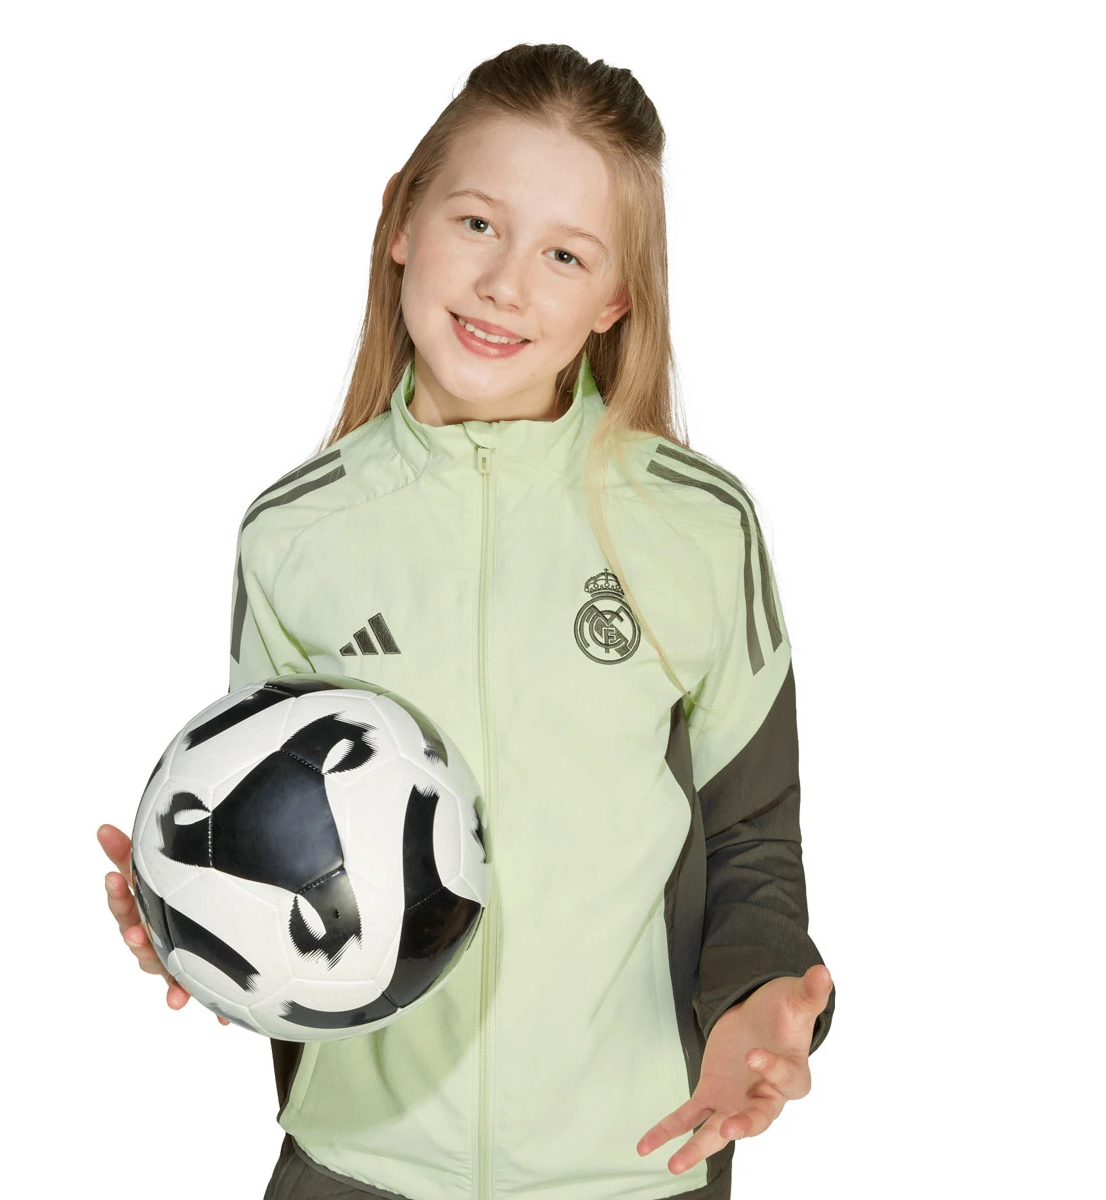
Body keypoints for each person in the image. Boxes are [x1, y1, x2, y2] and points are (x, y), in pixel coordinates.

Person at [99, 42, 835, 1200]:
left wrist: (758, 1000)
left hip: (636, 1166)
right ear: (403, 219)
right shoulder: (296, 532)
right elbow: (272, 840)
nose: (505, 284)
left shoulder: (698, 526)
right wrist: (192, 909)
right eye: (478, 223)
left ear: (615, 298)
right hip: (355, 1165)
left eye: (564, 254)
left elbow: (751, 837)